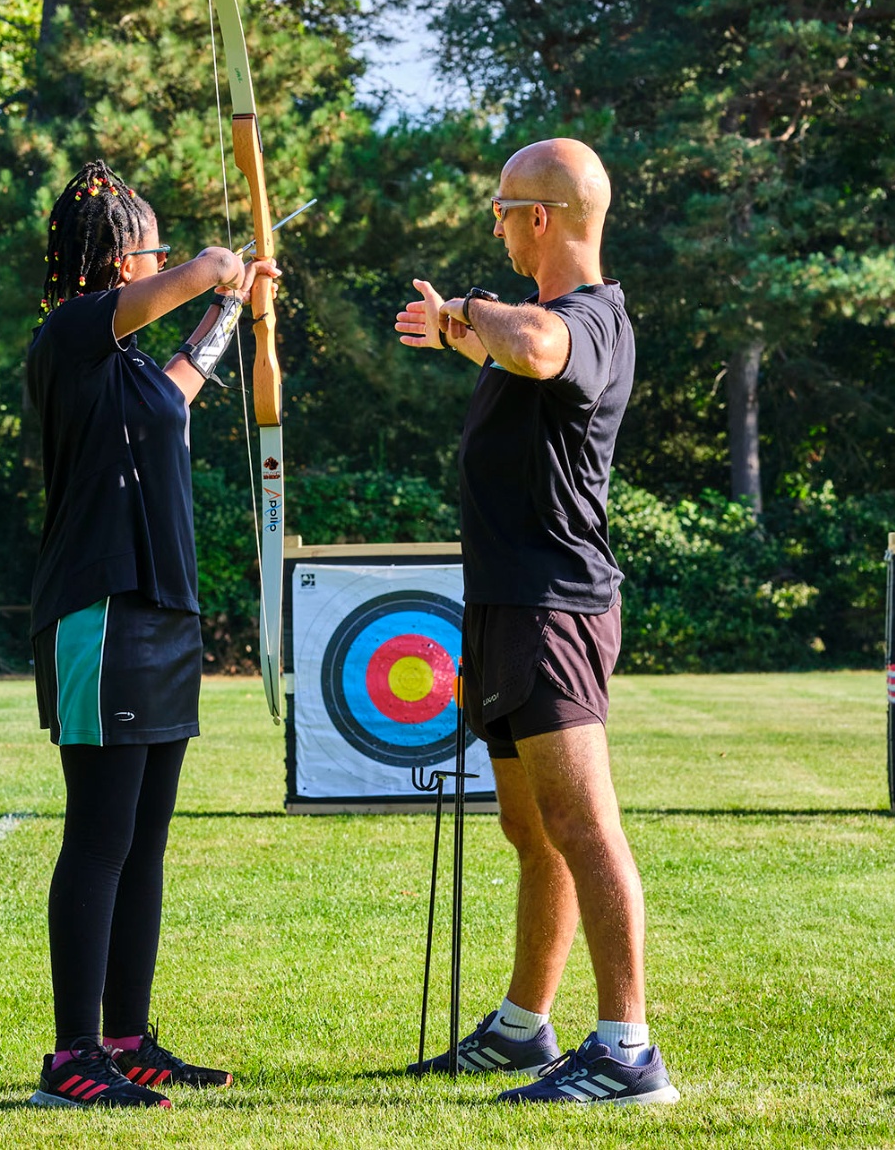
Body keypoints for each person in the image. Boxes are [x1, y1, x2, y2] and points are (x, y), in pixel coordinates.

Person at [391, 138, 677, 1106]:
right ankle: (523, 1029)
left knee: (583, 826)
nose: (498, 228)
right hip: (509, 607)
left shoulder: (585, 318)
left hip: (554, 610)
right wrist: (455, 330)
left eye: (502, 211)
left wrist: (470, 308)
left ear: (540, 218)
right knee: (531, 829)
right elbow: (512, 352)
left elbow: (538, 348)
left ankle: (628, 1051)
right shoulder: (544, 323)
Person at [24, 161, 276, 1110]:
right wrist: (212, 267)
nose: (165, 259)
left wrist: (232, 310)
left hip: (161, 613)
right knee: (100, 838)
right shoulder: (70, 332)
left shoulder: (128, 365)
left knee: (144, 839)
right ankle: (72, 1057)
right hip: (101, 610)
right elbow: (169, 288)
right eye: (153, 248)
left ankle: (127, 1041)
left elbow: (181, 386)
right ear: (117, 258)